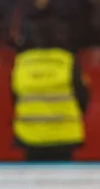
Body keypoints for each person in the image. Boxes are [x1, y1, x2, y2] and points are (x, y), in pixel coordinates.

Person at [10, 23, 89, 161]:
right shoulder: (67, 61)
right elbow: (83, 96)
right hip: (64, 136)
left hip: (30, 136)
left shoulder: (22, 62)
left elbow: (15, 96)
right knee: (64, 181)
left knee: (33, 179)